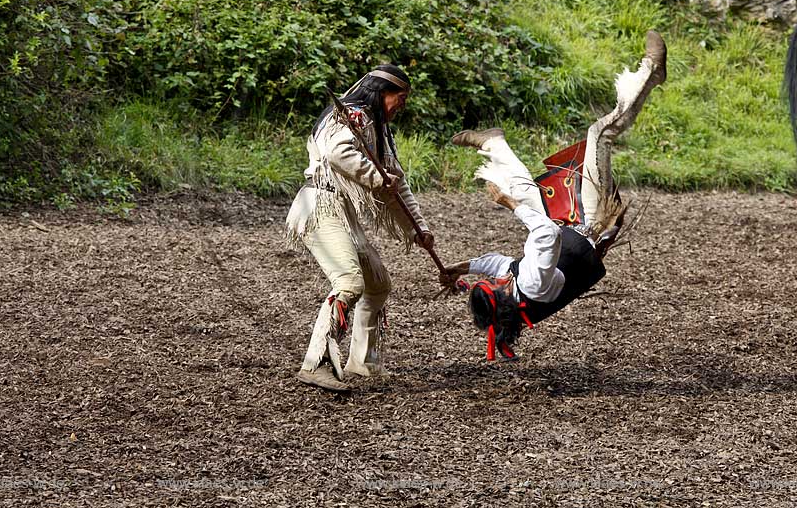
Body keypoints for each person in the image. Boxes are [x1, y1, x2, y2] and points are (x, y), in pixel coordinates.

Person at [439, 31, 668, 360]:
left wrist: (463, 267)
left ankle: (493, 143)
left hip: (568, 229)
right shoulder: (532, 284)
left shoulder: (518, 289)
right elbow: (544, 232)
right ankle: (650, 75)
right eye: (493, 285)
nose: (497, 280)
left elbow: (500, 264)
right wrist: (508, 205)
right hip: (591, 222)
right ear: (503, 296)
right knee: (599, 135)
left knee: (524, 192)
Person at [286, 64, 434, 392]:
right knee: (349, 282)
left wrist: (418, 229)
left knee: (377, 284)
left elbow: (397, 184)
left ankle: (362, 363)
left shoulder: (378, 133)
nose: (401, 106)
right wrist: (377, 178)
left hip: (343, 212)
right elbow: (337, 153)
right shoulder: (351, 116)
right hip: (319, 205)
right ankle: (317, 364)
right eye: (400, 97)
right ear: (381, 92)